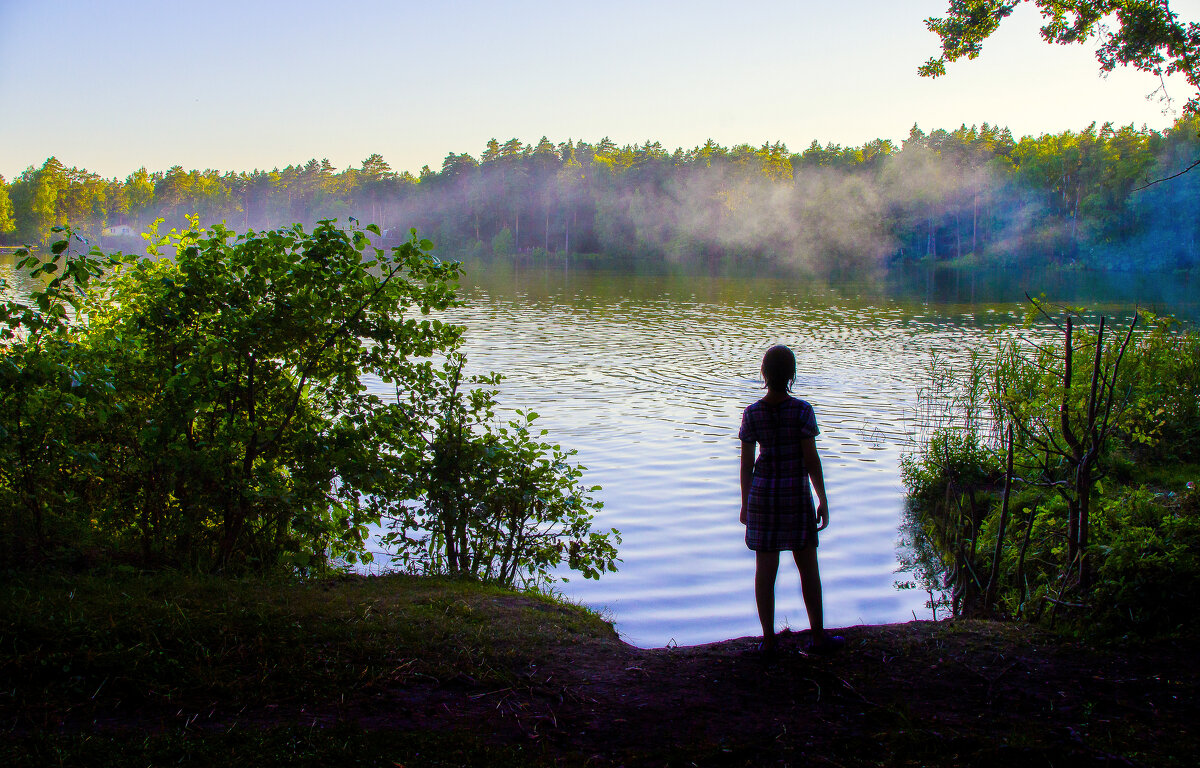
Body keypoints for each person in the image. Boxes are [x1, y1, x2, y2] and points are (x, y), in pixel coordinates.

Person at [739, 344, 843, 656]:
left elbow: (746, 465)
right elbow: (811, 460)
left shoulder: (752, 413)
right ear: (792, 375)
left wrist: (745, 503)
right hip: (796, 496)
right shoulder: (801, 410)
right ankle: (818, 637)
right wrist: (822, 497)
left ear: (764, 374)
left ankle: (768, 640)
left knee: (765, 571)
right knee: (808, 568)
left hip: (763, 497)